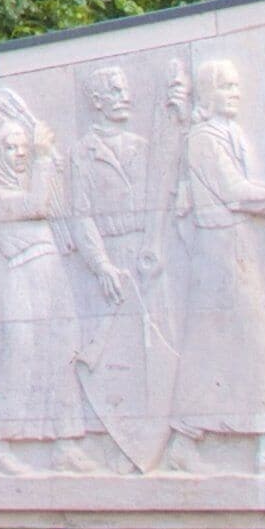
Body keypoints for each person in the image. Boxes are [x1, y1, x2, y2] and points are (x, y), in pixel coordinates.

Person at [160, 58, 265, 475]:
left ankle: (240, 442)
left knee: (240, 346)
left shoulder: (232, 133)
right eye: (226, 86)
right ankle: (231, 443)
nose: (235, 93)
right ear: (207, 94)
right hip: (218, 248)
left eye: (237, 85)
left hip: (236, 244)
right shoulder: (203, 138)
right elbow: (233, 190)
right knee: (232, 345)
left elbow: (247, 187)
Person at [0, 87, 91, 473]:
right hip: (25, 280)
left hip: (52, 277)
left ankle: (65, 444)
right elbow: (37, 206)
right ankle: (2, 448)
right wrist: (42, 158)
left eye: (24, 146)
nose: (20, 152)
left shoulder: (27, 181)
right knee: (20, 362)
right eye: (11, 147)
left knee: (63, 358)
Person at [67, 62, 169, 471]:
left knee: (151, 350)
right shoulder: (83, 152)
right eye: (114, 90)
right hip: (108, 261)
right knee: (108, 355)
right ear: (96, 101)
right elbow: (81, 215)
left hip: (144, 257)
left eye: (125, 89)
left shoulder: (144, 147)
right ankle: (109, 443)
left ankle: (151, 443)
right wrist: (102, 265)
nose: (124, 97)